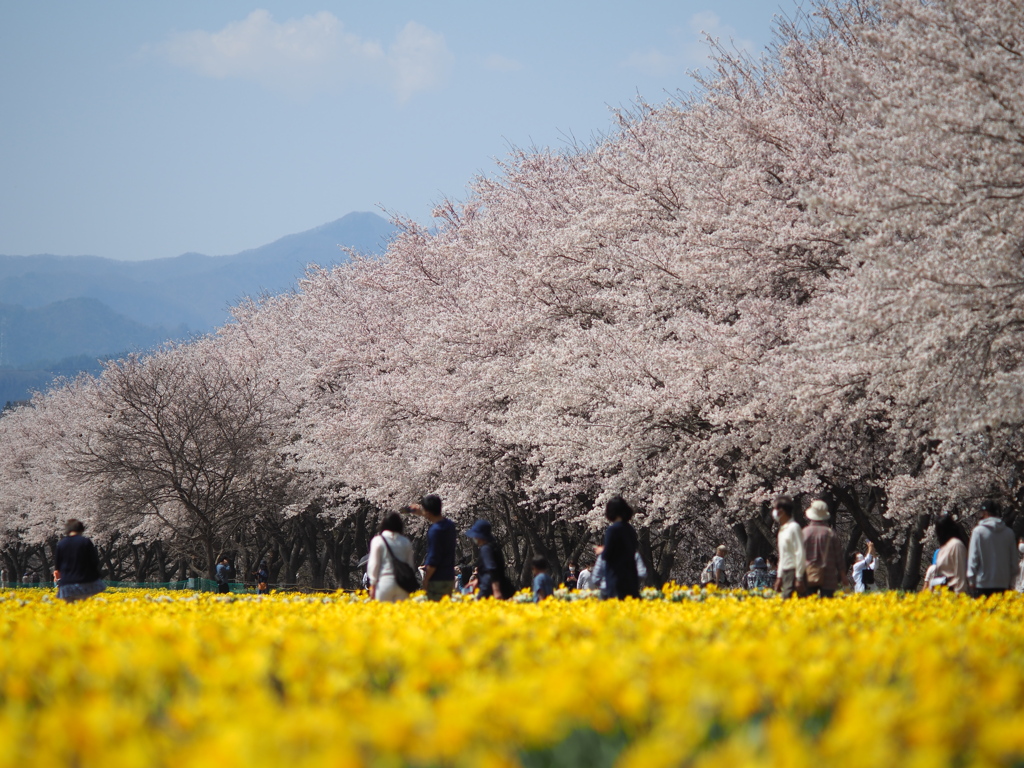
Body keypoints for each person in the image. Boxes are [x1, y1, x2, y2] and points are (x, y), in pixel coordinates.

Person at [408, 494, 457, 601]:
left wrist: (426, 579)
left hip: (436, 578)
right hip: (449, 577)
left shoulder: (434, 531)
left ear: (428, 513)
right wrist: (422, 512)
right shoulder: (450, 526)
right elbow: (435, 516)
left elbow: (434, 558)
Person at [967, 500, 1019, 597]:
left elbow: (973, 559)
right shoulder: (1009, 533)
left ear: (985, 512)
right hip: (1003, 583)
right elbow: (1014, 563)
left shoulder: (978, 532)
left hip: (982, 584)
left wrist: (971, 580)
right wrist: (1011, 582)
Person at [366, 512, 417, 602]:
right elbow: (410, 566)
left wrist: (372, 584)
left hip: (384, 583)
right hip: (402, 585)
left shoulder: (378, 540)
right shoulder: (406, 542)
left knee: (384, 614)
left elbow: (374, 565)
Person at [801, 500, 848, 597]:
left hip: (809, 574)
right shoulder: (830, 533)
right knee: (827, 604)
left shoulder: (805, 533)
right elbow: (839, 557)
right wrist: (843, 575)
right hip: (829, 576)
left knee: (810, 605)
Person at [53, 519, 105, 602]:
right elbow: (94, 561)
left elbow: (57, 566)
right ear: (81, 529)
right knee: (82, 608)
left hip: (66, 585)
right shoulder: (85, 542)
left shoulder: (61, 544)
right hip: (84, 582)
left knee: (69, 610)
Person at [601, 495, 640, 600]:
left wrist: (602, 550)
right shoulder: (630, 529)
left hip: (616, 576)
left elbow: (607, 554)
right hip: (631, 575)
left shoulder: (612, 530)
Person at [465, 519, 512, 599]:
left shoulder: (485, 549)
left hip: (488, 589)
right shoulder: (494, 547)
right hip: (503, 585)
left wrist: (496, 590)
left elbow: (492, 569)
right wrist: (477, 581)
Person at [773, 495, 805, 599]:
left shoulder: (794, 528)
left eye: (775, 508)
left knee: (789, 601)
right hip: (785, 571)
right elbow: (782, 555)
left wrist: (799, 577)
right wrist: (779, 576)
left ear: (781, 511)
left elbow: (800, 552)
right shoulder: (782, 530)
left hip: (793, 571)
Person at [925, 515, 967, 593]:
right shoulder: (943, 548)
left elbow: (960, 572)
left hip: (952, 591)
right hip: (940, 593)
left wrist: (959, 595)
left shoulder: (956, 545)